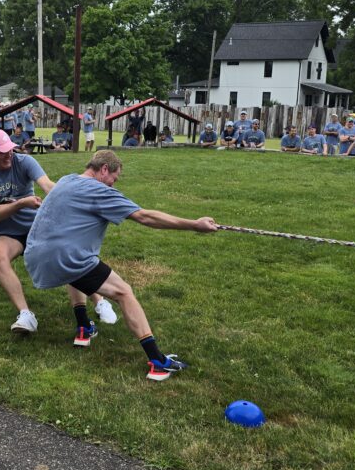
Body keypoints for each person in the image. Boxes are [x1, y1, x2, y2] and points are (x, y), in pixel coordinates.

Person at [23, 150, 218, 381]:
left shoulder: (67, 180)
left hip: (35, 255)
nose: (113, 185)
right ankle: (157, 362)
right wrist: (194, 225)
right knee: (123, 292)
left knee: (81, 268)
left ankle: (84, 327)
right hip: (64, 258)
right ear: (104, 169)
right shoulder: (99, 191)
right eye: (114, 179)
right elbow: (145, 217)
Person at [0, 129, 117, 338]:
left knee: (66, 253)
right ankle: (26, 314)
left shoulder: (24, 161)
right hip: (9, 231)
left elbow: (48, 186)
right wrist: (21, 203)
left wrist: (73, 200)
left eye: (10, 149)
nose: (9, 155)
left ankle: (100, 301)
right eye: (2, 152)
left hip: (38, 226)